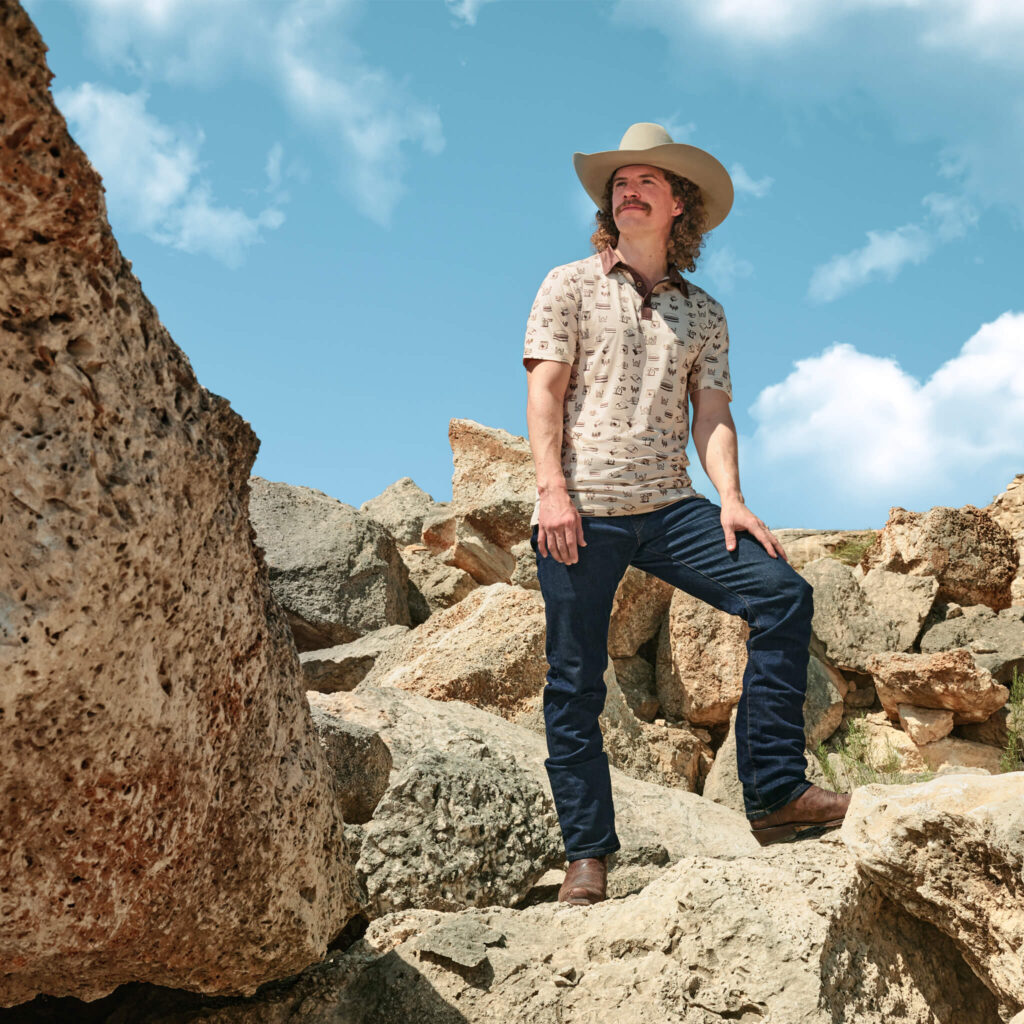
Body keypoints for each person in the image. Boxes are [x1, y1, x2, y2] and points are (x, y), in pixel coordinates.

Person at [522, 122, 851, 907]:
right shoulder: (568, 284)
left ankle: (775, 793)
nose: (628, 191)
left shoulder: (703, 313)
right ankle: (587, 855)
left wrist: (732, 498)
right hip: (583, 509)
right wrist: (551, 492)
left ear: (679, 206)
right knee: (575, 681)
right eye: (620, 182)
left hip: (672, 507)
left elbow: (713, 414)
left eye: (647, 181)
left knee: (782, 594)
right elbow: (545, 392)